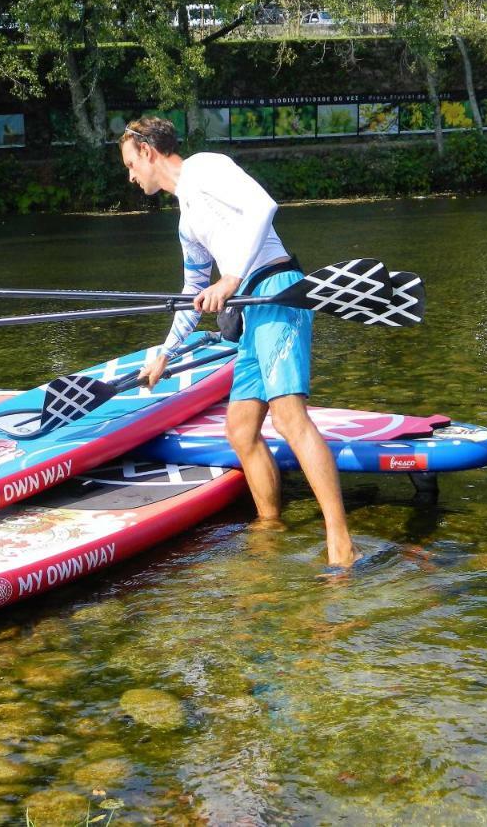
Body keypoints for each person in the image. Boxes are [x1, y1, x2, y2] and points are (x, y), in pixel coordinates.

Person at [118, 116, 358, 568]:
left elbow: (262, 205)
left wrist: (230, 277)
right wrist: (164, 354)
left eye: (131, 163)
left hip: (278, 289)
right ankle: (271, 524)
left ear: (148, 152)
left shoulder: (205, 168)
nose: (131, 175)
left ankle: (340, 539)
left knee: (289, 418)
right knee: (241, 430)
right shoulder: (187, 221)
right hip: (249, 310)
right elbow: (192, 295)